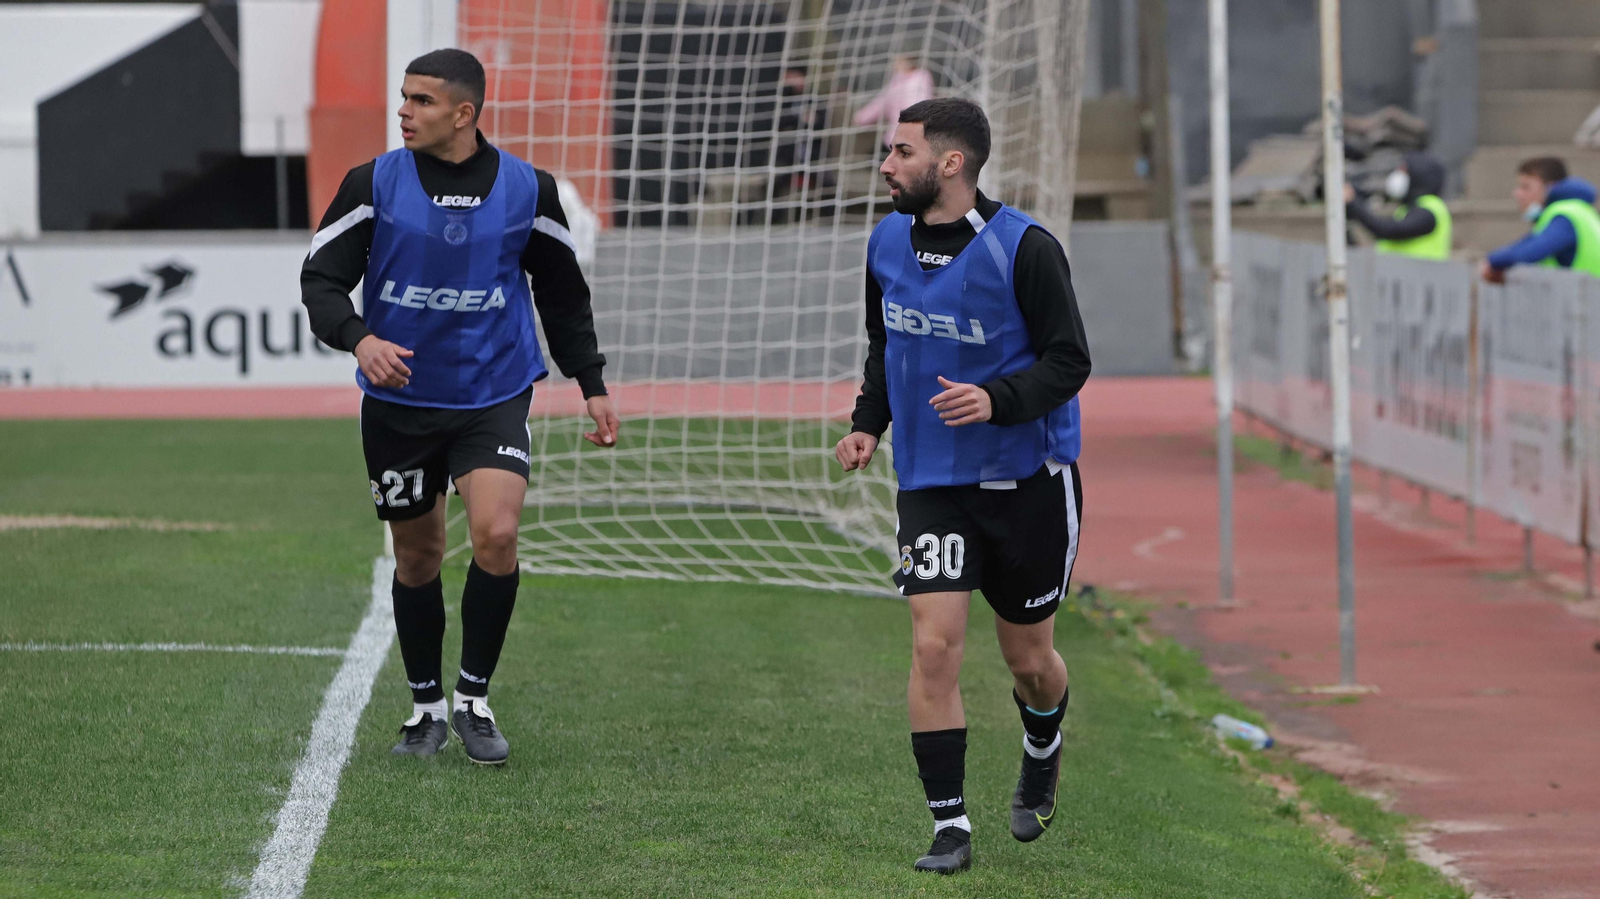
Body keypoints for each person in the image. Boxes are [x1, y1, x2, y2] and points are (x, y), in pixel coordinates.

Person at [300, 48, 619, 765]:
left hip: (492, 394)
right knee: (418, 555)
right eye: (402, 97)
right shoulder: (372, 183)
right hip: (399, 405)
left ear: (464, 113)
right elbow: (320, 279)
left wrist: (591, 381)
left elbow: (563, 294)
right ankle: (425, 707)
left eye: (421, 101)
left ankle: (474, 697)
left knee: (497, 534)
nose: (404, 111)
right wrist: (359, 338)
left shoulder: (526, 190)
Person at [835, 98, 1091, 874]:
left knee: (1030, 660)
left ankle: (1041, 742)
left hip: (1028, 481)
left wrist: (996, 400)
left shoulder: (1025, 249)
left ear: (951, 164)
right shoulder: (884, 241)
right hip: (933, 481)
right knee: (933, 645)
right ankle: (950, 826)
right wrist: (867, 423)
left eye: (902, 152)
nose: (887, 164)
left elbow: (1069, 360)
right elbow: (887, 344)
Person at [1482, 157, 1600, 281]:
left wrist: (1492, 262)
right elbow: (1526, 243)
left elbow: (1529, 252)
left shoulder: (1565, 215)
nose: (1517, 194)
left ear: (1550, 188)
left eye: (1526, 187)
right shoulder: (1576, 210)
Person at [1343, 151, 1452, 260]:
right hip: (1402, 275)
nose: (1398, 175)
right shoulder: (1405, 210)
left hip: (1423, 276)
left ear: (1418, 175)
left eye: (1404, 171)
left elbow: (1386, 230)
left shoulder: (1429, 211)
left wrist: (1353, 202)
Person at [852, 55, 934, 150]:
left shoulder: (915, 83)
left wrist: (860, 118)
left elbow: (881, 104)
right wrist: (861, 118)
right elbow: (880, 103)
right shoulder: (899, 80)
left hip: (903, 140)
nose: (894, 64)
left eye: (898, 60)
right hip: (900, 140)